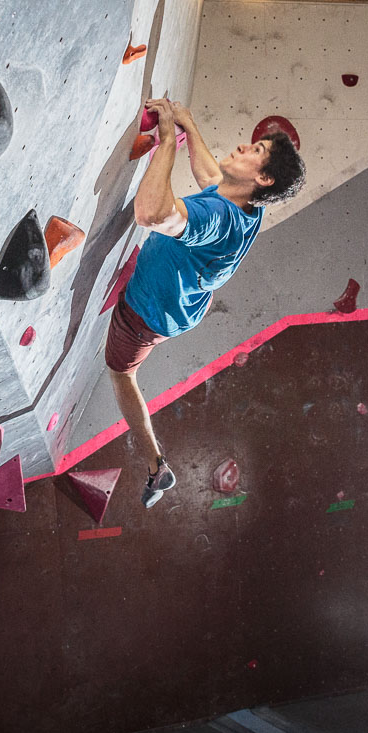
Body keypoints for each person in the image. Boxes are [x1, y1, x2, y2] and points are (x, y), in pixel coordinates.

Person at [107, 97, 306, 507]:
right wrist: (189, 124)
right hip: (180, 301)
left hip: (148, 314)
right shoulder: (248, 204)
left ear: (265, 179)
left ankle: (156, 467)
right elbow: (210, 176)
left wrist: (166, 140)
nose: (244, 146)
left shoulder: (219, 219)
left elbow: (151, 213)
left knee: (121, 375)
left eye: (257, 152)